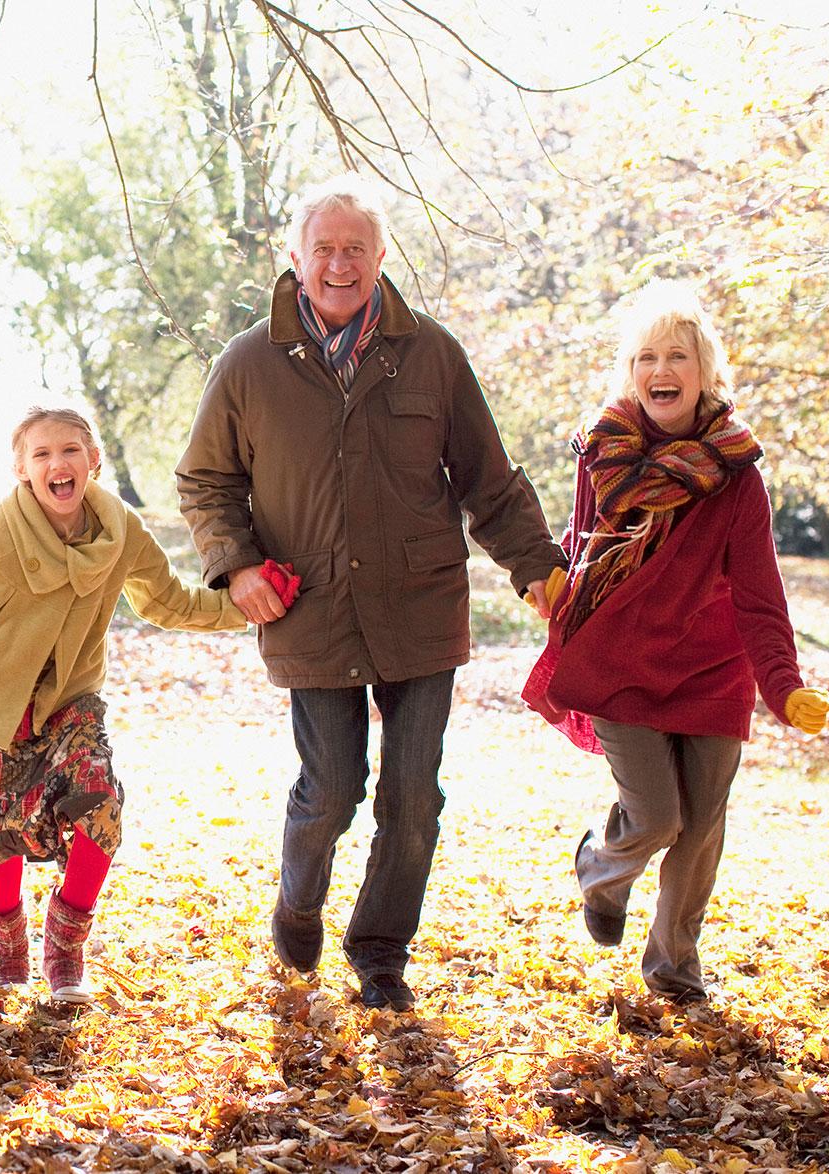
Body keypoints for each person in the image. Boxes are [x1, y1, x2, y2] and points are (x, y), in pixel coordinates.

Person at [175, 173, 567, 1011]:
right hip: (308, 605)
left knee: (412, 796)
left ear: (382, 257)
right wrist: (237, 566)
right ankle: (298, 901)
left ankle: (381, 950)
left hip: (419, 605)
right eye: (325, 249)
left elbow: (488, 482)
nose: (341, 264)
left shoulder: (431, 352)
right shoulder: (248, 363)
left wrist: (534, 563)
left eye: (357, 249)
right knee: (332, 790)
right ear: (296, 258)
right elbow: (205, 480)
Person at [0, 408, 247, 1002]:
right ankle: (10, 943)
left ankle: (66, 946)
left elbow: (168, 601)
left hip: (71, 702)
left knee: (101, 802)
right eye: (41, 454)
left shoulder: (120, 530)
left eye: (71, 450)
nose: (58, 463)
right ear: (21, 469)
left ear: (93, 460)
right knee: (2, 826)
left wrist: (248, 606)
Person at [522, 287, 829, 1003]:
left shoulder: (737, 475)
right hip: (618, 662)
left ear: (704, 371)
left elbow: (759, 594)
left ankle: (672, 966)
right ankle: (600, 866)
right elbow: (582, 546)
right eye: (645, 357)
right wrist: (552, 583)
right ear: (630, 373)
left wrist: (784, 686)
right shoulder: (604, 452)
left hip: (711, 668)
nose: (661, 369)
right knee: (660, 817)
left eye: (677, 356)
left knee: (700, 830)